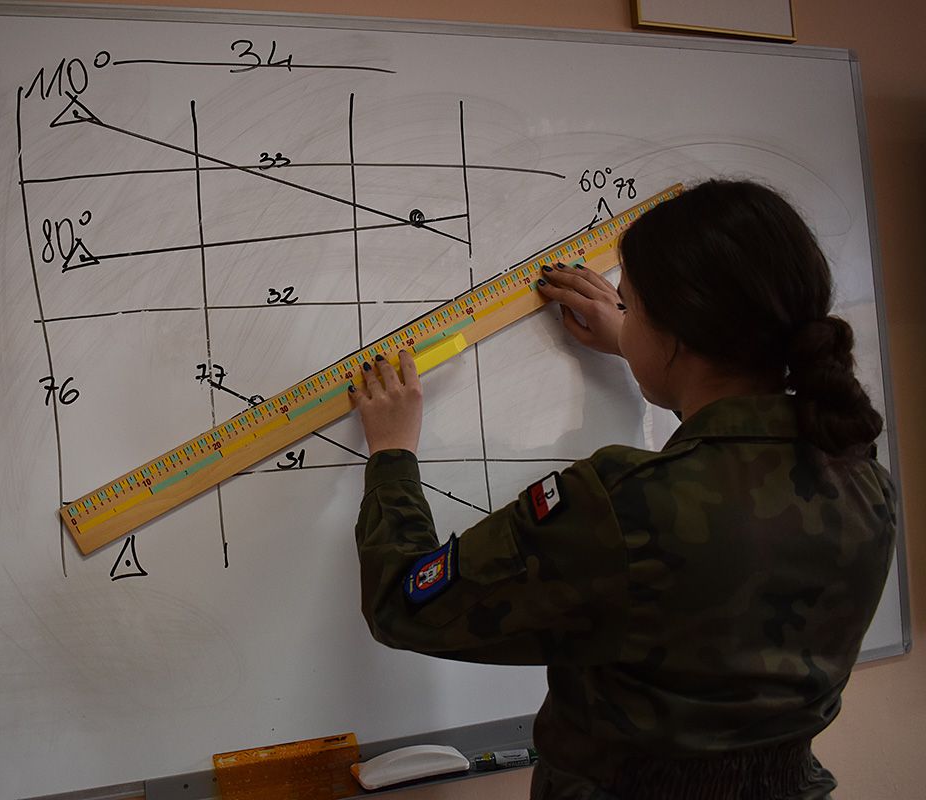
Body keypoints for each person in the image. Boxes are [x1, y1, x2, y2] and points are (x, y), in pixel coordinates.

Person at [349, 179, 896, 800]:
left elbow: (405, 605)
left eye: (630, 307)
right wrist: (642, 347)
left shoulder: (621, 504)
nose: (623, 317)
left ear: (679, 335)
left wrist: (391, 455)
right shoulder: (864, 482)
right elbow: (733, 466)